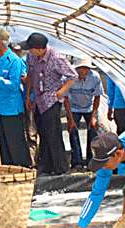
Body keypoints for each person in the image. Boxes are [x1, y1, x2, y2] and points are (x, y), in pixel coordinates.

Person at [21, 32, 77, 176]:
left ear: (40, 49)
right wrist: (28, 96)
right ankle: (45, 165)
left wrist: (61, 92)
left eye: (31, 48)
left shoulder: (57, 58)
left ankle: (61, 168)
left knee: (53, 134)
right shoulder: (31, 57)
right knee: (42, 133)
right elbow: (31, 77)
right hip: (38, 100)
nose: (29, 51)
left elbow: (73, 75)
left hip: (51, 100)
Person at [0, 29, 31, 167]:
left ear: (0, 43)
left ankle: (22, 167)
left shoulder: (14, 61)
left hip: (12, 109)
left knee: (15, 141)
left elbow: (14, 85)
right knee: (2, 142)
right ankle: (6, 167)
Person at [63, 58, 103, 171]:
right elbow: (65, 98)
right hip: (73, 107)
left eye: (86, 68)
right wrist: (70, 118)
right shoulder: (68, 77)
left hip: (89, 107)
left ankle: (91, 161)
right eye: (81, 68)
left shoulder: (95, 77)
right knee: (72, 131)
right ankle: (77, 162)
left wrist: (94, 116)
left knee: (93, 132)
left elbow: (97, 97)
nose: (83, 71)